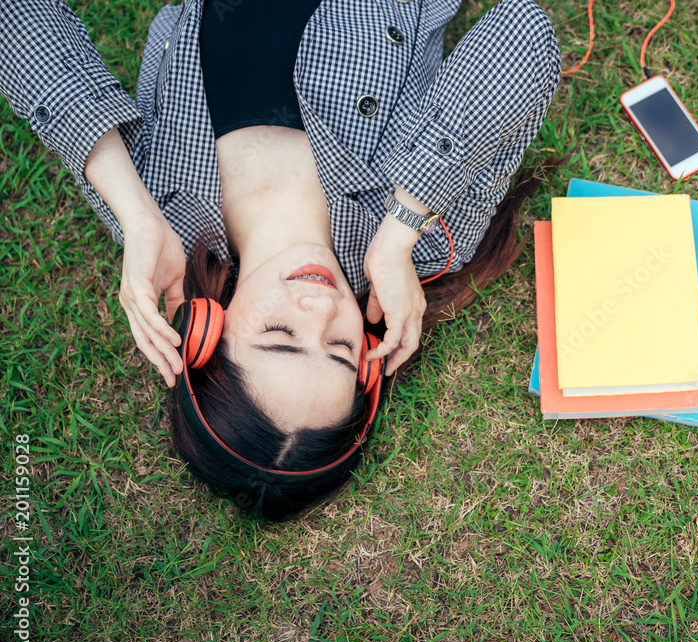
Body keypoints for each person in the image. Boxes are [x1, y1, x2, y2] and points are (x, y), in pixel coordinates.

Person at [0, 0, 561, 520]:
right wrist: (402, 227)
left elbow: (20, 21)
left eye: (280, 334)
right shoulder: (417, 236)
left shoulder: (159, 219)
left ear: (208, 331)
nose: (319, 309)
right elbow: (522, 31)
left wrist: (135, 213)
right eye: (341, 347)